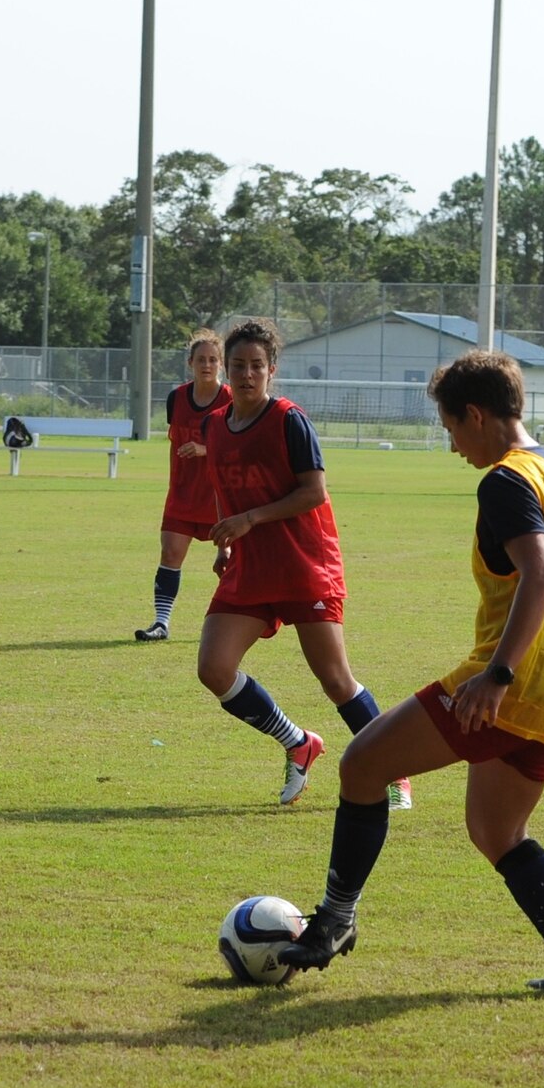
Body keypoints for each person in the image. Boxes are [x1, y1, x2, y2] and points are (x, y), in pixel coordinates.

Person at [279, 350, 544, 995]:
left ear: (476, 415)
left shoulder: (506, 481)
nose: (454, 445)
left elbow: (542, 573)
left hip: (512, 682)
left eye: (451, 430)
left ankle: (335, 918)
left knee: (362, 765)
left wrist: (496, 675)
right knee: (497, 831)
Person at [196, 319, 410, 808]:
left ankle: (394, 771)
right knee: (214, 667)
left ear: (272, 370)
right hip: (250, 565)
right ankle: (298, 742)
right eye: (238, 366)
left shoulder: (289, 419)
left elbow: (314, 492)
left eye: (256, 366)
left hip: (303, 563)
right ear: (227, 372)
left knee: (335, 679)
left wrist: (251, 518)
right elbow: (224, 488)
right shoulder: (215, 425)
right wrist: (227, 540)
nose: (247, 374)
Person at [135, 328, 230, 642]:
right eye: (201, 359)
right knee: (170, 553)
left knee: (230, 563)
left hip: (220, 497)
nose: (207, 364)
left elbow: (240, 446)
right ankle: (161, 623)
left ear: (221, 364)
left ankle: (233, 625)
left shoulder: (230, 399)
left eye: (213, 359)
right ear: (191, 362)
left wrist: (206, 449)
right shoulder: (177, 397)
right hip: (183, 493)